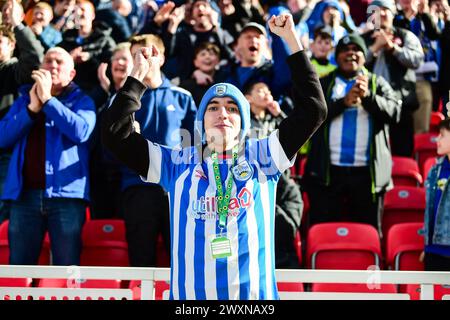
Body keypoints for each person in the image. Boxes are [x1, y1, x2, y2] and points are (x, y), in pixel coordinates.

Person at [102, 13, 327, 300]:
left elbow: (314, 111)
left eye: (233, 108)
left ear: (244, 122)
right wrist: (137, 77)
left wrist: (291, 42)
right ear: (200, 121)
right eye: (214, 107)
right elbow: (115, 135)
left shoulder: (264, 156)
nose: (223, 113)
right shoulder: (176, 164)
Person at [0, 47, 96, 265]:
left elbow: (81, 131)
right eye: (48, 61)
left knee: (66, 268)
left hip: (66, 197)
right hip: (24, 196)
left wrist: (47, 100)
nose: (53, 65)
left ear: (71, 74)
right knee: (20, 268)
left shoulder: (83, 101)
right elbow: (2, 137)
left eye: (59, 62)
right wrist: (32, 109)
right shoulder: (25, 99)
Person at [304, 34, 401, 231]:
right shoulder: (323, 83)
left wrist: (368, 98)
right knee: (326, 231)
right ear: (336, 56)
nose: (351, 54)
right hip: (328, 174)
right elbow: (309, 117)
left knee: (368, 232)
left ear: (365, 56)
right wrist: (342, 103)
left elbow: (395, 113)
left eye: (356, 49)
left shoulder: (377, 83)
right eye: (345, 50)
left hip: (367, 175)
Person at [118, 34, 197, 267]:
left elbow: (196, 145)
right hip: (137, 188)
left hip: (177, 189)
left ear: (161, 57)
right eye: (134, 55)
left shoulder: (182, 97)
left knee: (183, 259)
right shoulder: (123, 99)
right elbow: (111, 146)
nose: (140, 59)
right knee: (141, 260)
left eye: (146, 53)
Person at [245, 81, 303, 268]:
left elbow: (298, 135)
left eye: (268, 90)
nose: (266, 94)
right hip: (251, 178)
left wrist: (279, 114)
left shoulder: (276, 119)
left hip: (279, 178)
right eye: (260, 90)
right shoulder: (242, 123)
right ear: (248, 98)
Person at [0, 0, 45, 223]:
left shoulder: (14, 70)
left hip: (5, 151)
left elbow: (35, 58)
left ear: (11, 45)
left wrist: (17, 25)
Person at [362, 0, 424, 157]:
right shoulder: (362, 39)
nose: (382, 14)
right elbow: (352, 64)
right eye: (378, 10)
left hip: (401, 104)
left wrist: (393, 48)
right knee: (372, 152)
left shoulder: (405, 35)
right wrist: (375, 47)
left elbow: (417, 59)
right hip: (370, 104)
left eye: (386, 10)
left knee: (402, 152)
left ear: (393, 13)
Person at [58, 0, 116, 92]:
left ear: (92, 15)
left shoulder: (106, 41)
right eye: (74, 11)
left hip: (94, 91)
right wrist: (70, 60)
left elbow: (111, 69)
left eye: (82, 9)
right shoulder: (65, 41)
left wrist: (90, 57)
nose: (78, 13)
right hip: (67, 90)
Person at [421, 118, 450, 271]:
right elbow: (431, 211)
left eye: (442, 135)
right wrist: (427, 246)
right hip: (434, 252)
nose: (437, 138)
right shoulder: (435, 169)